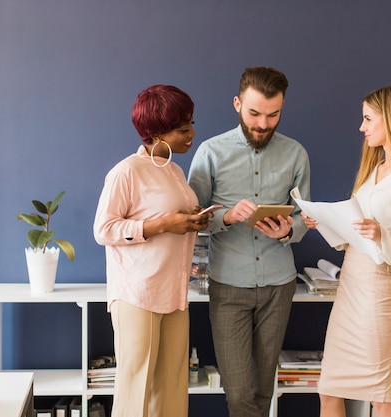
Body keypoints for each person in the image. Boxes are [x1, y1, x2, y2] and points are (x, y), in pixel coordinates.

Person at [302, 86, 391, 417]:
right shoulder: (373, 172)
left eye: (367, 119)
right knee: (329, 390)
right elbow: (354, 235)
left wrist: (383, 234)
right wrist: (325, 223)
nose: (362, 128)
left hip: (377, 293)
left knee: (381, 396)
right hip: (350, 288)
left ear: (390, 120)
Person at [188, 66, 311, 417]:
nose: (262, 124)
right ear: (237, 103)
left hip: (279, 284)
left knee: (263, 390)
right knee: (239, 393)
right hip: (229, 287)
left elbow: (305, 216)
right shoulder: (210, 153)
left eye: (273, 115)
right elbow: (192, 219)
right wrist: (225, 216)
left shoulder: (296, 154)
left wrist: (288, 231)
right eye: (255, 113)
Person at [93, 85, 211, 417]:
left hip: (174, 292)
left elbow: (170, 219)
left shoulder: (174, 171)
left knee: (173, 385)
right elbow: (103, 229)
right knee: (136, 386)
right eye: (183, 128)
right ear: (156, 133)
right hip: (137, 293)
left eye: (190, 123)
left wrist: (190, 222)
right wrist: (162, 225)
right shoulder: (126, 171)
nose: (192, 134)